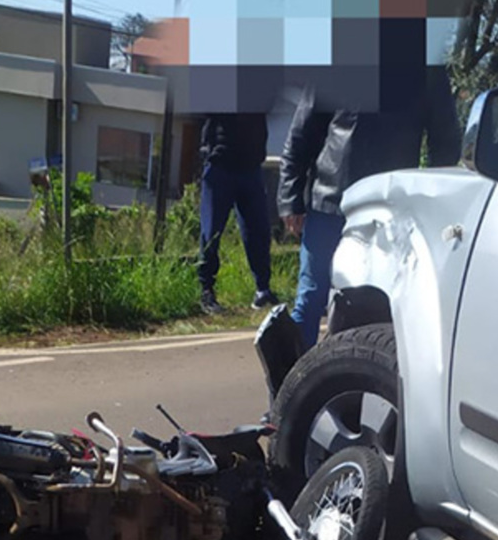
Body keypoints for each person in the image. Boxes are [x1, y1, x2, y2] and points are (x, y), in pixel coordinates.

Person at [278, 66, 463, 348]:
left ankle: (360, 382)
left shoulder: (428, 70)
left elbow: (446, 141)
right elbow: (302, 132)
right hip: (330, 203)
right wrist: (290, 198)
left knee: (378, 302)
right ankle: (289, 386)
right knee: (311, 297)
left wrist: (431, 200)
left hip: (389, 211)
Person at [197, 112, 279, 314]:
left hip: (251, 167)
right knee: (211, 232)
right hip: (220, 164)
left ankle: (263, 290)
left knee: (258, 231)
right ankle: (205, 290)